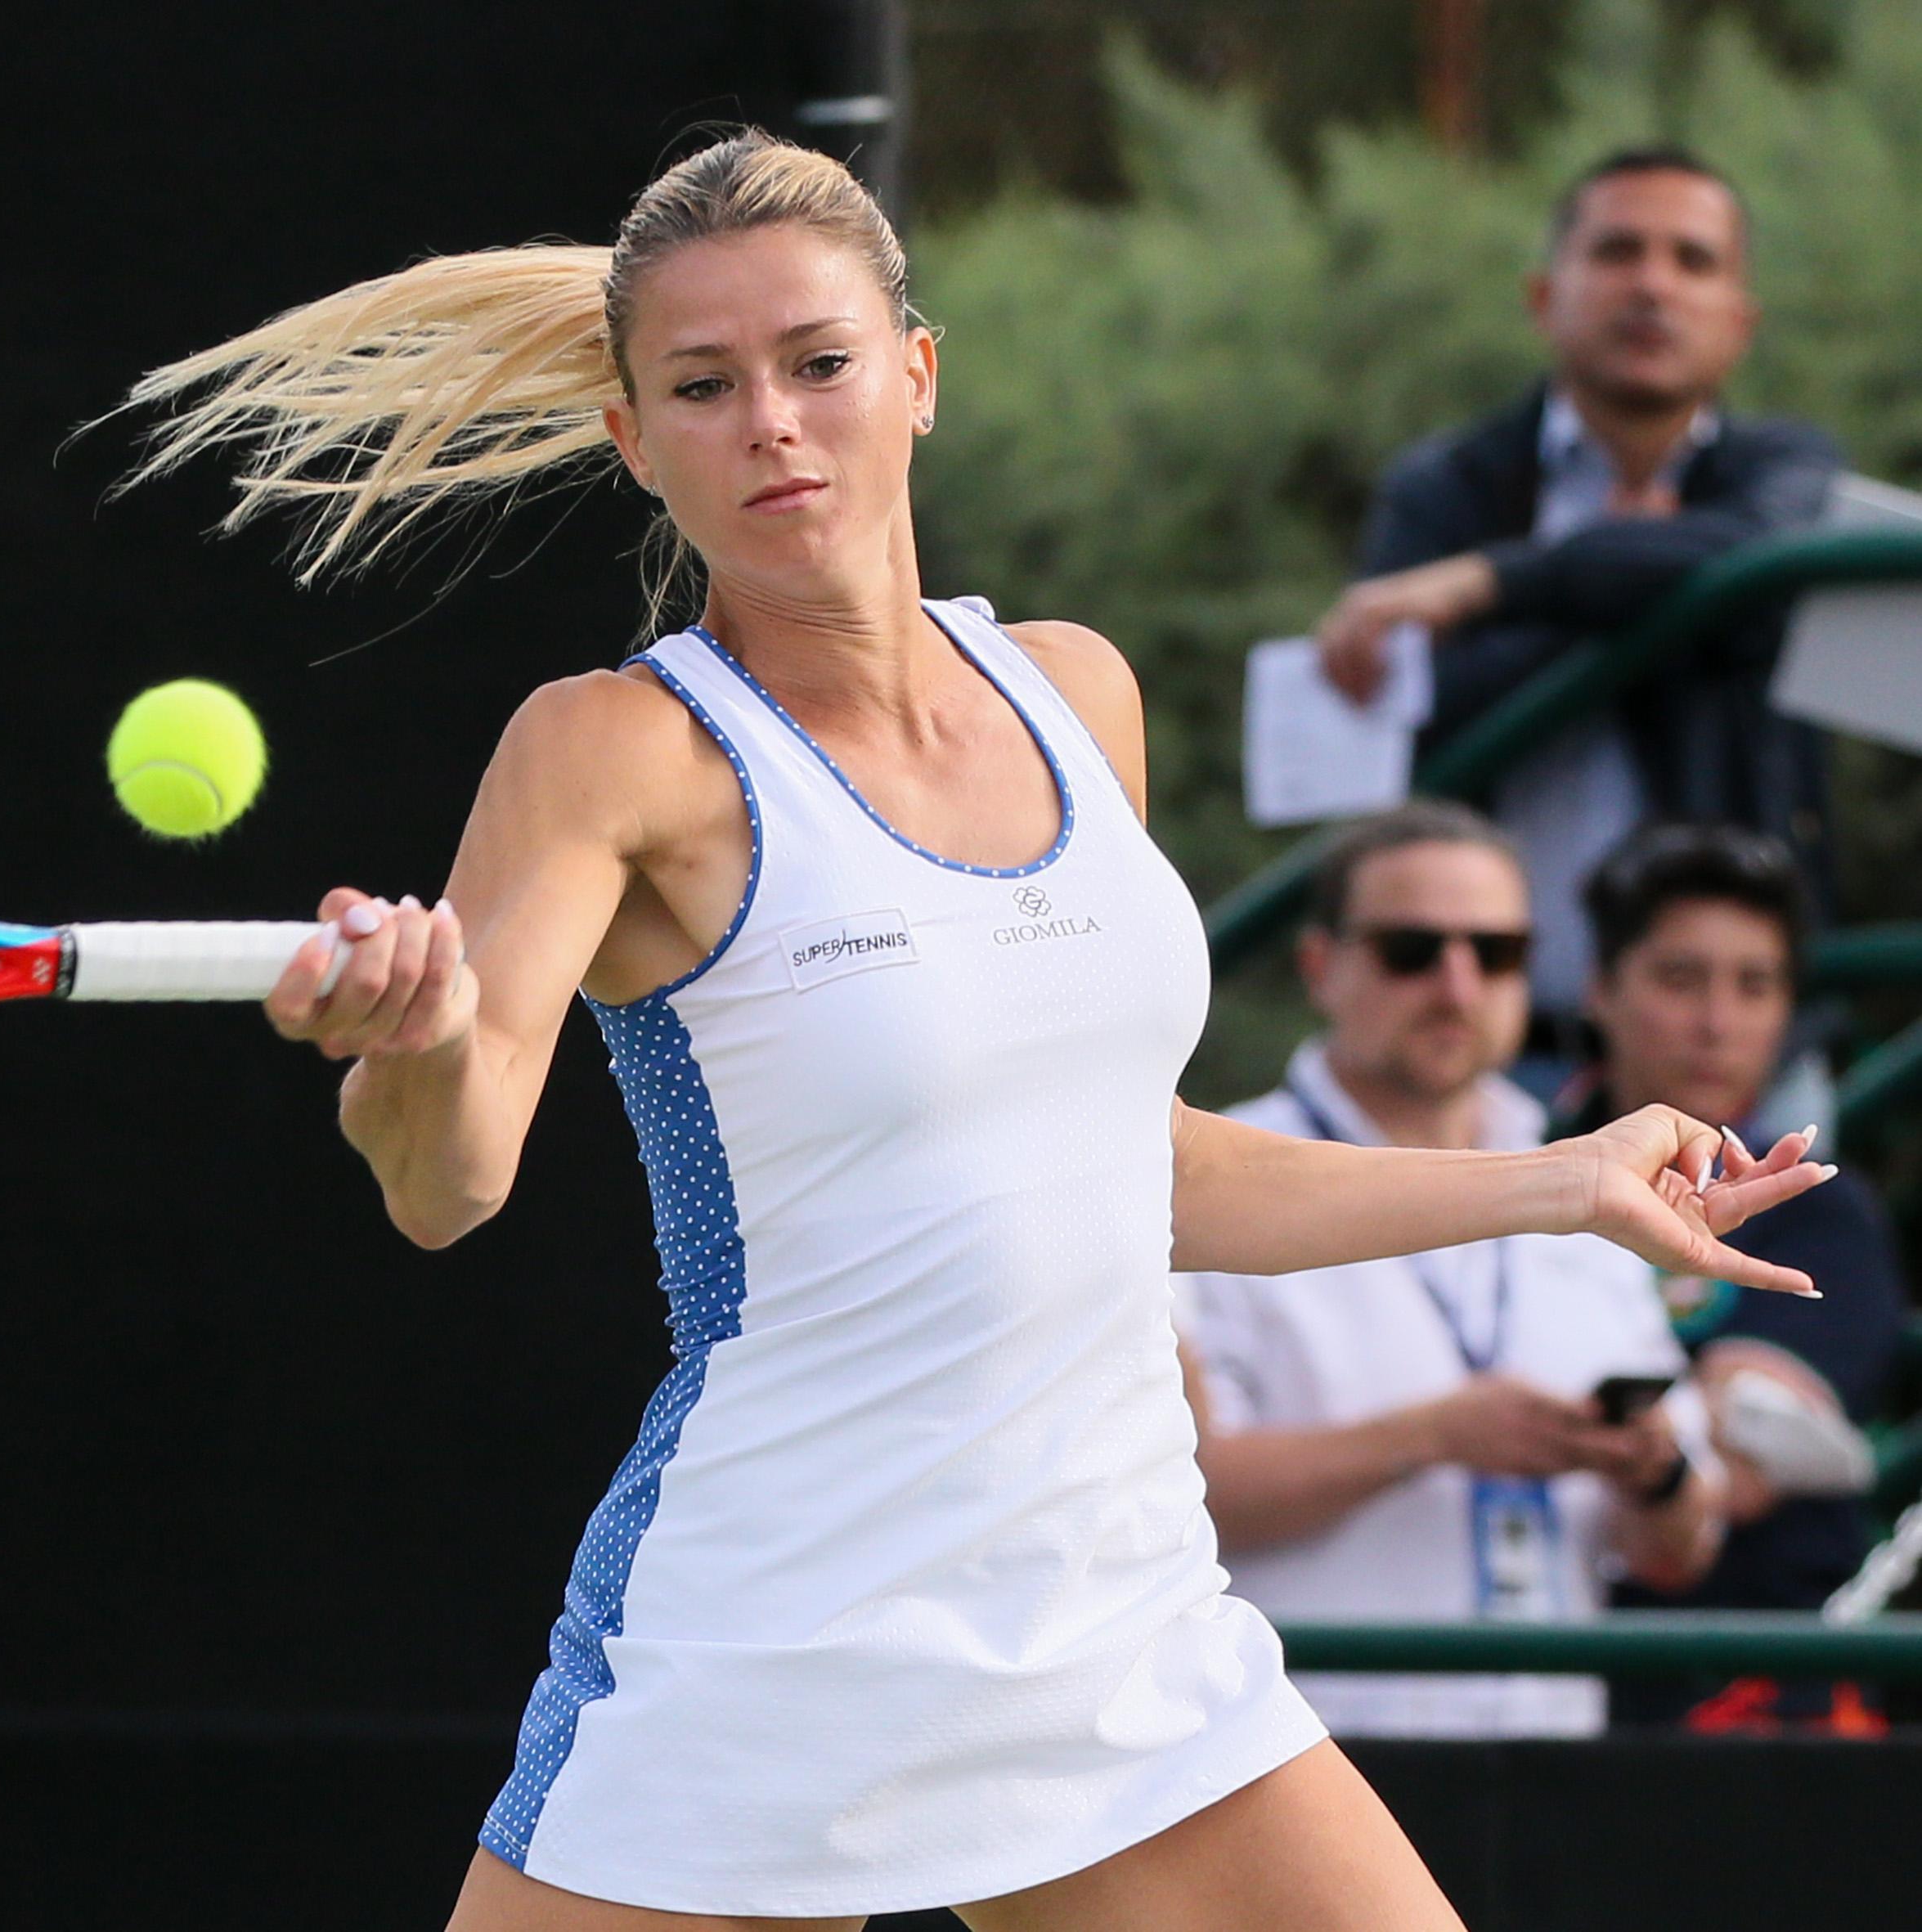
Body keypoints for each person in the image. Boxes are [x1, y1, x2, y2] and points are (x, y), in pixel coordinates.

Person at [123, 130, 1830, 1932]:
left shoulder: (1077, 692)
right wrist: (413, 1030)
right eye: (702, 388)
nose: (771, 422)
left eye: (817, 363)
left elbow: (1138, 1168)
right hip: (771, 1632)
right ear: (635, 442)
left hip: (1114, 1619)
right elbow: (442, 1183)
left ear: (915, 376)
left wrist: (1559, 1179)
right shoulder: (609, 748)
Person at [1169, 803, 1721, 1741]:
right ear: (1321, 966)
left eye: (1495, 951)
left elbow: (1681, 1551)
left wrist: (1652, 1470)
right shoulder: (1212, 1177)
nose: (1456, 983)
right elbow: (1175, 1499)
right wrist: (1430, 1436)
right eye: (1411, 949)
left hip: (1553, 1756)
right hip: (1297, 1757)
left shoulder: (1590, 1177)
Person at [1309, 145, 1841, 1047]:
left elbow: (1770, 550)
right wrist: (1623, 578)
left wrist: (1494, 583)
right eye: (1617, 251)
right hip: (1487, 1045)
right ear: (1544, 295)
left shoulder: (1785, 469)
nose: (1653, 286)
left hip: (1734, 1053)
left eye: (1693, 259)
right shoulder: (1446, 487)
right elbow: (1402, 724)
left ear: (1741, 321)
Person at [1557, 824, 1909, 1730]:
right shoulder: (1514, 1172)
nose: (1718, 1021)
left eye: (1754, 985)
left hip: (1760, 1693)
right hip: (1538, 1665)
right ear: (1602, 988)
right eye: (1681, 979)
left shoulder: (1825, 1211)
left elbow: (1752, 1438)